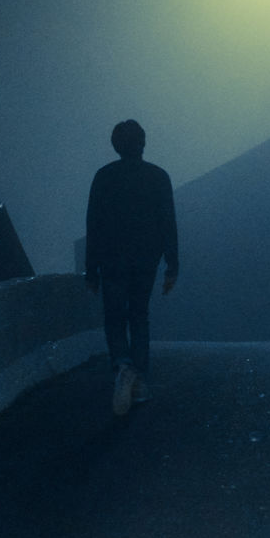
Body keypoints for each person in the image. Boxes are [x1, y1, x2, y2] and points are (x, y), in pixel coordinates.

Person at [85, 119, 179, 415]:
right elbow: (168, 223)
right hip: (146, 259)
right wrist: (172, 265)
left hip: (111, 258)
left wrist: (91, 270)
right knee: (139, 315)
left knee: (114, 316)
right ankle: (138, 379)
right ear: (143, 143)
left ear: (116, 146)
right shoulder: (159, 177)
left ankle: (122, 364)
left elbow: (94, 225)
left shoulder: (104, 177)